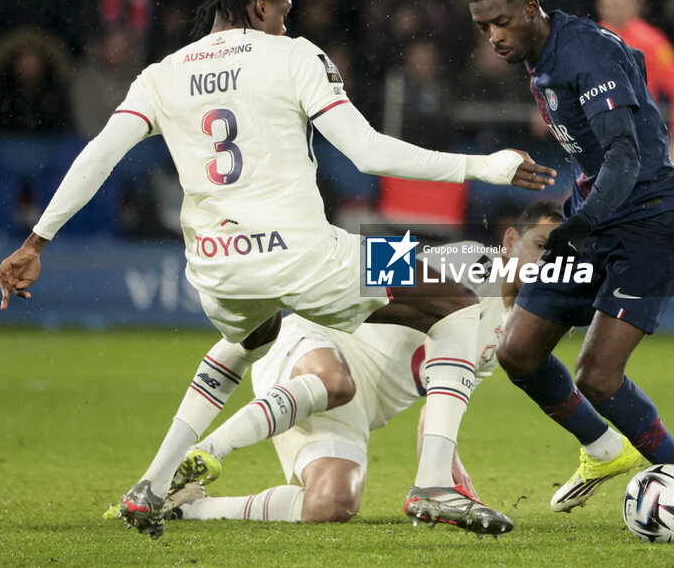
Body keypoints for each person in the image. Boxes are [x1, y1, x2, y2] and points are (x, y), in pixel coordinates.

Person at [0, 0, 556, 539]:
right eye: (282, 14)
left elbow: (98, 156)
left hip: (216, 269)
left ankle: (152, 485)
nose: (286, 26)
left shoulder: (162, 74)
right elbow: (367, 152)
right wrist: (481, 166)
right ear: (260, 5)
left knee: (250, 338)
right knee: (457, 303)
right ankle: (434, 485)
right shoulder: (294, 56)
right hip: (311, 255)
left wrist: (36, 242)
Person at [144, 201, 564, 535]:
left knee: (332, 504)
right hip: (313, 345)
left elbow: (439, 404)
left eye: (557, 256)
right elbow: (374, 265)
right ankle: (205, 452)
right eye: (541, 245)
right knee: (335, 380)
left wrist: (445, 472)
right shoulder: (471, 261)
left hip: (353, 409)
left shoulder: (510, 336)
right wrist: (312, 276)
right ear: (510, 239)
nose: (545, 261)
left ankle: (188, 508)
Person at [467, 0, 674, 513]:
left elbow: (624, 154)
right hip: (596, 212)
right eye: (483, 28)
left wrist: (581, 223)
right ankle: (603, 451)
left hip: (651, 220)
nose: (494, 36)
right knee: (518, 351)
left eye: (501, 22)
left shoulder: (585, 52)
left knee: (598, 376)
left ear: (531, 7)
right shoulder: (544, 56)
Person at [595, 0, 674, 169]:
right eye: (611, 5)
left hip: (641, 139)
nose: (616, 10)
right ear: (600, 7)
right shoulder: (588, 40)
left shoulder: (652, 42)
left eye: (621, 4)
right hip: (597, 139)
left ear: (634, 5)